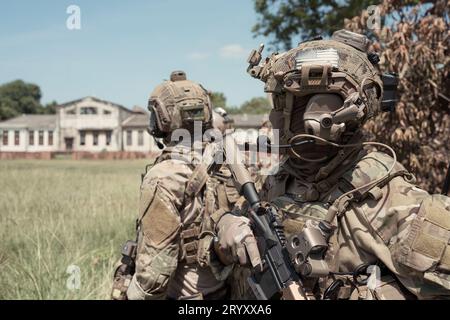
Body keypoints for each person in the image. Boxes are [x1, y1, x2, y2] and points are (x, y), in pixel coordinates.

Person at [214, 30, 450, 300]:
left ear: (322, 113)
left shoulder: (393, 201)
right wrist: (226, 228)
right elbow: (228, 234)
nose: (273, 117)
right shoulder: (281, 179)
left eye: (282, 104)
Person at [111, 71, 240, 300]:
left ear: (162, 118)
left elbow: (154, 275)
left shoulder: (164, 176)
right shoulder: (229, 162)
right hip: (225, 292)